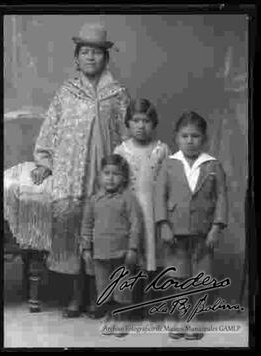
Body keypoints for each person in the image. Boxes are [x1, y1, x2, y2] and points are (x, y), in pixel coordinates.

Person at [4, 23, 130, 317]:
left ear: (106, 58)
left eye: (96, 53)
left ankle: (99, 297)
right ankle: (75, 296)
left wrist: (129, 169)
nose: (90, 58)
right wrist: (45, 163)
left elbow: (126, 134)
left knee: (102, 233)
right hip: (72, 172)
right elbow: (51, 129)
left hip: (104, 174)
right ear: (76, 58)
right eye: (85, 52)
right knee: (74, 232)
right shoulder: (66, 92)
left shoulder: (116, 94)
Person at [155, 111, 228, 340]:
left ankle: (195, 318)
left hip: (204, 233)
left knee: (201, 277)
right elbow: (159, 197)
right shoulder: (169, 164)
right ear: (176, 138)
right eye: (185, 135)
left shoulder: (213, 166)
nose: (189, 140)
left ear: (204, 139)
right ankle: (180, 316)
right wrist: (163, 224)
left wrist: (217, 227)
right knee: (178, 277)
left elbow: (222, 199)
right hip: (175, 233)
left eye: (195, 136)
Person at [114, 99, 170, 320]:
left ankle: (156, 307)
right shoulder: (122, 150)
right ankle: (136, 309)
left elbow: (168, 182)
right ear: (128, 123)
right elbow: (116, 182)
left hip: (155, 212)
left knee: (155, 260)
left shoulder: (162, 149)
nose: (141, 126)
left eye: (146, 121)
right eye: (136, 120)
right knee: (134, 261)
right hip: (131, 212)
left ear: (153, 123)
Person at [81, 154, 143, 337]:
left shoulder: (128, 198)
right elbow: (86, 225)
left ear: (124, 177)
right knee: (104, 288)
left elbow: (136, 225)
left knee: (122, 289)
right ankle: (110, 315)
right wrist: (86, 248)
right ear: (99, 175)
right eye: (106, 173)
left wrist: (132, 248)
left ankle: (122, 319)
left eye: (116, 174)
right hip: (100, 254)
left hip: (122, 254)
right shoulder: (93, 200)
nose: (110, 177)